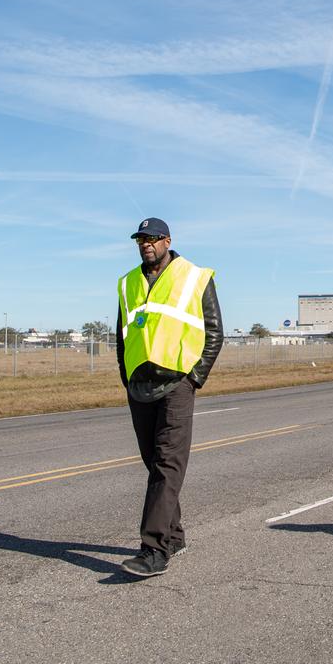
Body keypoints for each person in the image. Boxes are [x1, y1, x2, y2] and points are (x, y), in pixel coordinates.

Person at [116, 218, 223, 578]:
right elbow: (122, 336)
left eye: (152, 239)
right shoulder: (128, 282)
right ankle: (174, 535)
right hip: (140, 385)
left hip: (177, 382)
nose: (146, 244)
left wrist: (194, 378)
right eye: (141, 240)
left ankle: (154, 548)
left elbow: (214, 332)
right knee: (152, 461)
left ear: (167, 241)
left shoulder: (195, 276)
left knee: (167, 463)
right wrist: (126, 376)